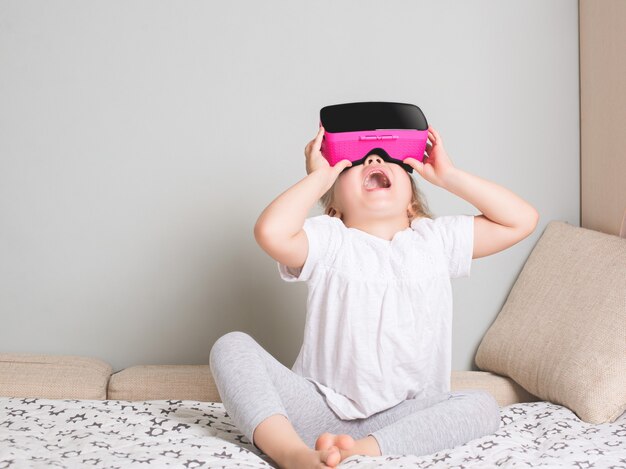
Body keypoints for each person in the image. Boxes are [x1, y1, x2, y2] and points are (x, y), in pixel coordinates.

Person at [209, 124, 539, 469]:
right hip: (318, 407)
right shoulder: (330, 240)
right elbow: (271, 232)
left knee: (481, 404)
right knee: (231, 346)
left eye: (388, 158)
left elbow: (520, 220)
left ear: (412, 199)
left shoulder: (435, 240)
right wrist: (318, 178)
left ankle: (357, 453)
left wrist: (449, 176)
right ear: (333, 206)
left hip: (400, 420)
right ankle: (293, 454)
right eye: (353, 164)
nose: (373, 157)